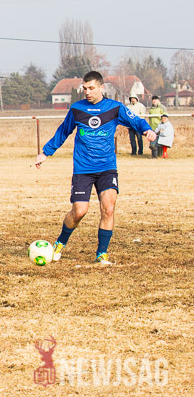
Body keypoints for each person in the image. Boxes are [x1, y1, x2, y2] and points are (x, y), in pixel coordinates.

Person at [34, 71, 157, 266]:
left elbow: (136, 120)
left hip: (107, 167)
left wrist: (147, 130)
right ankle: (60, 243)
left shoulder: (114, 108)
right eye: (85, 88)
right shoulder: (77, 109)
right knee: (79, 211)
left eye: (91, 88)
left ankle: (101, 254)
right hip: (83, 168)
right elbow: (63, 132)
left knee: (108, 209)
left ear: (102, 88)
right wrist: (45, 153)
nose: (87, 92)